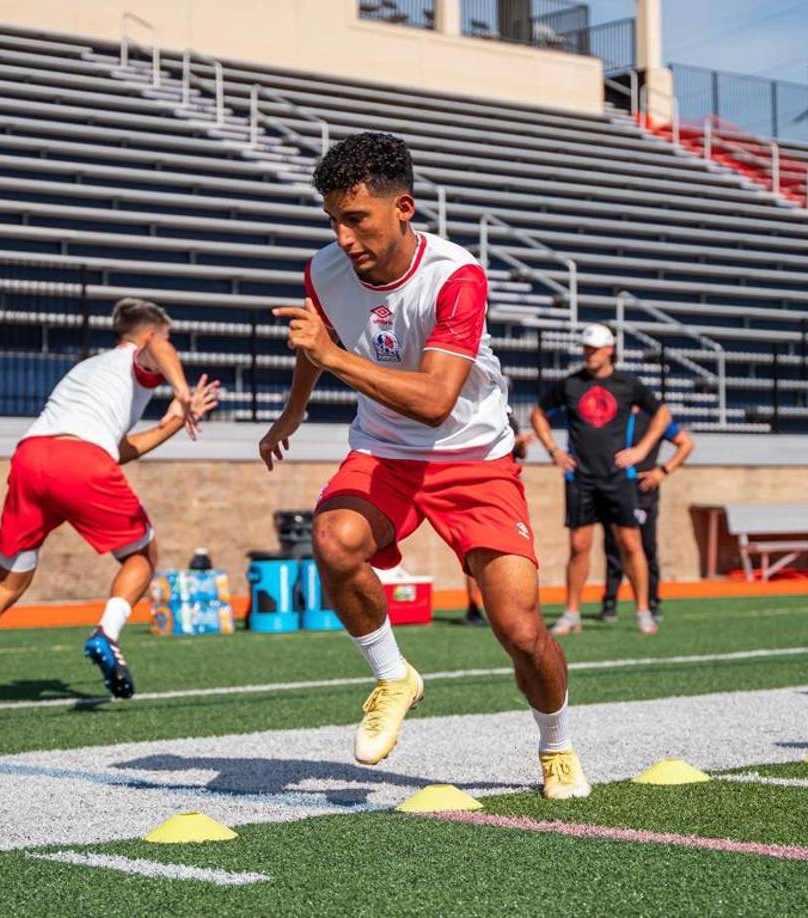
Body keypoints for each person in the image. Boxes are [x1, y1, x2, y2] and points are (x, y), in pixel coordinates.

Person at [258, 132, 589, 799]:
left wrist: (332, 358)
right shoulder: (322, 270)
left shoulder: (455, 276)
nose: (343, 237)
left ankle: (555, 744)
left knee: (521, 631)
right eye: (332, 220)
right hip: (385, 452)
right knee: (332, 539)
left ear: (403, 207)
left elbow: (436, 401)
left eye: (357, 219)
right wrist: (294, 410)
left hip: (474, 460)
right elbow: (314, 339)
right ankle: (393, 676)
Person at [0, 298, 220, 716]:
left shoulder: (88, 370)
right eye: (166, 338)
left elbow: (116, 449)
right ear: (148, 335)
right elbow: (158, 350)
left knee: (7, 584)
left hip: (31, 458)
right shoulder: (138, 357)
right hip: (80, 463)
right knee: (143, 556)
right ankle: (107, 635)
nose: (169, 348)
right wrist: (182, 394)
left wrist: (174, 422)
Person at [529, 323, 671, 637]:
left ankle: (643, 610)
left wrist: (641, 450)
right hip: (581, 478)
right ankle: (571, 612)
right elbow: (538, 413)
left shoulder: (628, 383)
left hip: (618, 477)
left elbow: (662, 414)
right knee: (579, 546)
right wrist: (554, 450)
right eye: (586, 349)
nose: (589, 354)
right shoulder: (571, 384)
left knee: (631, 544)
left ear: (610, 350)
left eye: (595, 349)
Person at [598, 406, 695, 624]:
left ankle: (652, 601)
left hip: (643, 489)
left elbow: (686, 444)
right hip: (614, 487)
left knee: (646, 546)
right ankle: (610, 601)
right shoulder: (612, 413)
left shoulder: (655, 418)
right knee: (614, 545)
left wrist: (663, 470)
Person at [465, 405, 532, 626]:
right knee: (474, 549)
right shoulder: (474, 409)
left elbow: (520, 453)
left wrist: (521, 444)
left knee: (513, 549)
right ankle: (474, 606)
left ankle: (510, 606)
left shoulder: (508, 414)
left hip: (506, 490)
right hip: (478, 484)